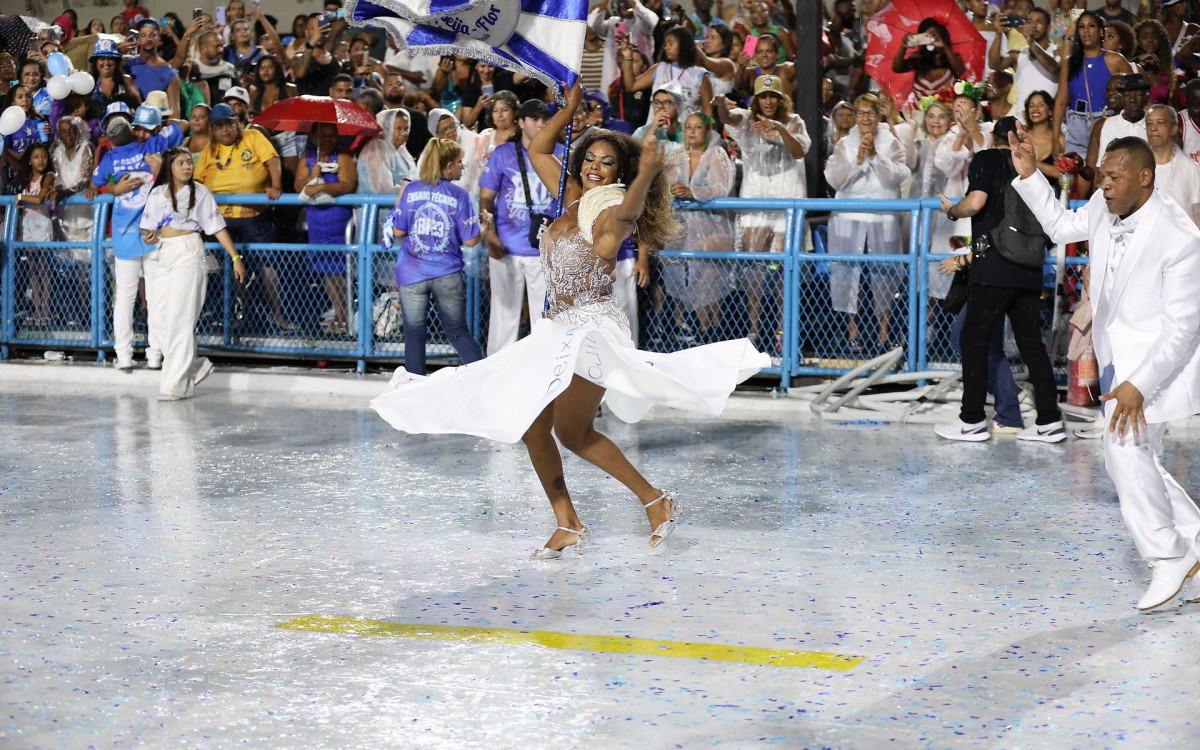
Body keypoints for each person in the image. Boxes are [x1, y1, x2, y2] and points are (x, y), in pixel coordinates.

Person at [369, 82, 768, 558]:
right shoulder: (572, 193)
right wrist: (568, 109)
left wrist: (643, 176)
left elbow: (626, 217)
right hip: (558, 327)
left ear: (620, 172)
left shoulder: (608, 209)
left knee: (569, 431)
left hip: (591, 329)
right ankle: (580, 520)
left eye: (607, 163)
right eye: (590, 159)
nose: (596, 168)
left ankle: (649, 502)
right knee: (541, 428)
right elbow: (537, 146)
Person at [1011, 131, 1200, 611]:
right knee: (1139, 456)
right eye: (1103, 176)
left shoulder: (1181, 236)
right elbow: (1058, 226)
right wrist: (1031, 174)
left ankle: (1167, 554)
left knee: (1121, 447)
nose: (1106, 185)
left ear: (1145, 178)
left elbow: (1182, 328)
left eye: (1116, 177)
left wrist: (1139, 383)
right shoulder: (1101, 204)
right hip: (1119, 355)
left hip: (1161, 364)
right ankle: (1194, 540)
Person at [934, 116, 1065, 443]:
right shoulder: (1033, 172)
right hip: (1031, 270)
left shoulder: (987, 158)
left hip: (992, 269)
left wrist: (952, 210)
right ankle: (1049, 421)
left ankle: (972, 420)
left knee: (973, 340)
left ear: (994, 138)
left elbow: (976, 204)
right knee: (1032, 346)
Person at [140, 146, 247, 401]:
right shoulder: (157, 193)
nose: (187, 166)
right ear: (170, 167)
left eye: (189, 162)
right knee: (157, 319)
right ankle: (195, 366)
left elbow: (218, 227)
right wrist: (149, 236)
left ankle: (175, 385)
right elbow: (146, 232)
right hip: (164, 254)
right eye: (181, 163)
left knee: (179, 320)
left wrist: (235, 257)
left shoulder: (199, 192)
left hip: (189, 252)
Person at [87, 104, 186, 370]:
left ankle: (124, 356)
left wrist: (112, 187)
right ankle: (155, 356)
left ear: (110, 139)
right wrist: (164, 121)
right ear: (132, 132)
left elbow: (94, 185)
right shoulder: (150, 147)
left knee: (125, 299)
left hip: (124, 237)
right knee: (156, 299)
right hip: (153, 235)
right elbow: (183, 125)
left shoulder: (108, 159)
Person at [714, 74, 810, 347]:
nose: (768, 101)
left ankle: (782, 333)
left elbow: (799, 151)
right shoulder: (746, 120)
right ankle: (753, 332)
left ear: (781, 99)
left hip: (785, 206)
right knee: (755, 271)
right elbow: (727, 118)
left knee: (783, 271)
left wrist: (780, 128)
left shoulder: (794, 122)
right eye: (763, 97)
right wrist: (720, 104)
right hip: (755, 206)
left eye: (773, 97)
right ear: (756, 100)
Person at [381, 138, 485, 376]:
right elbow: (470, 240)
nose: (462, 167)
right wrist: (486, 227)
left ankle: (414, 385)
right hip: (446, 273)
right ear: (448, 166)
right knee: (457, 332)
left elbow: (398, 231)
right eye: (459, 162)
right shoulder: (459, 195)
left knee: (414, 333)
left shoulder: (411, 189)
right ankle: (482, 380)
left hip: (411, 272)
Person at [825, 92, 910, 353]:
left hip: (881, 218)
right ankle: (853, 333)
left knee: (883, 276)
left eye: (870, 113)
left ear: (878, 115)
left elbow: (900, 174)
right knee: (849, 276)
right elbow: (834, 178)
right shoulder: (844, 144)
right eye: (860, 113)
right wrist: (858, 162)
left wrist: (875, 156)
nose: (864, 118)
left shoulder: (892, 143)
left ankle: (883, 333)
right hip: (849, 218)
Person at [478, 98, 563, 355]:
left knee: (544, 318)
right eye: (534, 119)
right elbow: (485, 197)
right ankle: (497, 371)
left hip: (545, 249)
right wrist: (489, 234)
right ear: (521, 122)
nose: (541, 123)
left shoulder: (561, 153)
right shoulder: (503, 153)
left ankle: (544, 369)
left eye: (545, 119)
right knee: (503, 316)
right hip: (506, 246)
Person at [195, 103, 290, 331]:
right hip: (222, 220)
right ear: (213, 130)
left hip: (253, 215)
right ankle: (242, 317)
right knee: (232, 267)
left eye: (229, 124)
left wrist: (276, 186)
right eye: (219, 127)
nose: (225, 130)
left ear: (236, 123)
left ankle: (278, 315)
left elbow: (273, 160)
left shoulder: (253, 136)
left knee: (268, 263)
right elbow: (198, 179)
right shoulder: (211, 148)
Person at [665, 111, 736, 342]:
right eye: (688, 127)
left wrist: (692, 192)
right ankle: (689, 327)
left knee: (709, 275)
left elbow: (721, 187)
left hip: (713, 226)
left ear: (707, 132)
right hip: (683, 226)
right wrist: (673, 189)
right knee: (679, 270)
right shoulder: (677, 157)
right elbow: (665, 189)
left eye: (697, 127)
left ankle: (712, 328)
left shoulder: (717, 154)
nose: (692, 131)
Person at [295, 121, 357, 335]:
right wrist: (313, 175)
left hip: (338, 218)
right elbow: (297, 185)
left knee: (342, 268)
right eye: (323, 135)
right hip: (316, 219)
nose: (328, 139)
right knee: (325, 268)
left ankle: (345, 316)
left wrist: (320, 186)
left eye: (332, 134)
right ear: (313, 136)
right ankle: (340, 313)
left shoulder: (345, 153)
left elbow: (348, 183)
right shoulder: (309, 154)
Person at [1053, 11, 1133, 157]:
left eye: (1091, 26)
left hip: (1108, 122)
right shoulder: (1070, 63)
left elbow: (1134, 93)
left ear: (1100, 31)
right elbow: (1060, 101)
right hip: (1075, 126)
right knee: (1075, 177)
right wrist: (1055, 139)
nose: (1086, 31)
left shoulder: (1115, 60)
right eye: (1081, 27)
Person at [989, 6, 1060, 122]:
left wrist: (1031, 43)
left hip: (1049, 122)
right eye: (1030, 21)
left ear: (1049, 27)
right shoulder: (1018, 55)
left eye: (1039, 22)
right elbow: (994, 64)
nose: (1033, 26)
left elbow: (1053, 68)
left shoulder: (1058, 52)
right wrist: (998, 34)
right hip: (1022, 122)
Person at [13, 142, 56, 327]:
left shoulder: (48, 176)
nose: (41, 160)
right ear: (29, 161)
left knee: (44, 269)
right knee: (33, 270)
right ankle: (37, 311)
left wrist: (21, 198)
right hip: (28, 224)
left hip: (42, 224)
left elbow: (39, 198)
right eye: (36, 156)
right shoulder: (26, 178)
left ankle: (45, 312)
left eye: (44, 156)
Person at [1144, 103, 1200, 226]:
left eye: (1160, 122)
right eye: (1149, 123)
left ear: (1173, 129)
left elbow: (1197, 213)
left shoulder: (1191, 167)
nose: (1153, 128)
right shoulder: (1138, 165)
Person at [891, 18, 964, 106]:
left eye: (934, 36)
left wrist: (944, 47)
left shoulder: (951, 57)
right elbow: (897, 68)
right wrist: (903, 47)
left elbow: (960, 70)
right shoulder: (918, 57)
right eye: (927, 36)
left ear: (942, 36)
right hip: (919, 112)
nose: (930, 40)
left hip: (945, 112)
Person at [125, 19, 180, 118]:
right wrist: (119, 49)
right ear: (138, 40)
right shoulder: (126, 63)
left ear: (159, 39)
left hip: (156, 128)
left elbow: (174, 114)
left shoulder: (170, 73)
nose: (148, 39)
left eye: (152, 35)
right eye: (144, 35)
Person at [357, 108, 416, 195]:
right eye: (399, 128)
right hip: (376, 206)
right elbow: (383, 189)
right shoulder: (376, 147)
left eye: (406, 129)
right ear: (387, 127)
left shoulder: (402, 151)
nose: (404, 133)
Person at [1098, 73, 1150, 156]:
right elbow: (1103, 162)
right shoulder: (1110, 124)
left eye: (1138, 94)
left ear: (1146, 98)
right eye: (1127, 95)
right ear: (1122, 99)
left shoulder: (1153, 123)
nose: (1132, 100)